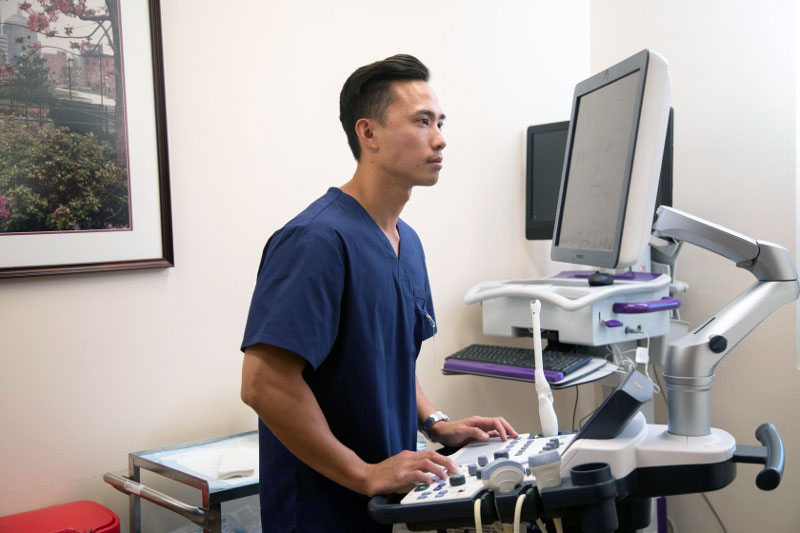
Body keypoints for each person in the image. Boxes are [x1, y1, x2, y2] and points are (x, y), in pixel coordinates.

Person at [240, 54, 517, 532]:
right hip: (319, 513)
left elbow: (390, 357)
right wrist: (364, 472)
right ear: (367, 133)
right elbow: (264, 384)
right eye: (422, 121)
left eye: (440, 122)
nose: (440, 138)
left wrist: (435, 424)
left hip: (379, 507)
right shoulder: (316, 241)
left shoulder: (405, 242)